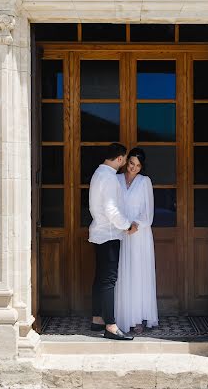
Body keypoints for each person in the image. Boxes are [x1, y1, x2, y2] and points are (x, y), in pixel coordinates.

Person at [88, 142, 139, 340]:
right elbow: (111, 209)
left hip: (100, 232)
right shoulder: (108, 178)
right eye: (125, 159)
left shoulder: (98, 174)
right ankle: (110, 325)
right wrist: (127, 226)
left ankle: (96, 319)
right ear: (119, 159)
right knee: (108, 280)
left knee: (100, 278)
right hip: (108, 234)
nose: (125, 162)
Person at [115, 147, 158, 333]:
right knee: (122, 274)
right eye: (131, 163)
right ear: (126, 162)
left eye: (138, 166)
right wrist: (122, 225)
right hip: (119, 232)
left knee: (138, 274)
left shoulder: (144, 182)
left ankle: (139, 317)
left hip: (139, 234)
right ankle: (123, 316)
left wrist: (134, 225)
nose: (133, 168)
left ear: (142, 167)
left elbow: (148, 213)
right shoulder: (115, 179)